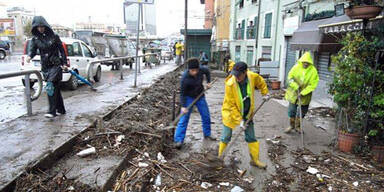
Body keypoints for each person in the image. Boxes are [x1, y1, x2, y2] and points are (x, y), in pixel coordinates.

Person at [218, 62, 270, 169]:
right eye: (235, 75)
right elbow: (232, 105)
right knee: (226, 136)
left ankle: (255, 160)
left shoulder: (252, 76)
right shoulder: (230, 84)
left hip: (247, 112)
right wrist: (240, 120)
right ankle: (219, 160)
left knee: (251, 136)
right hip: (230, 113)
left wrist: (265, 93)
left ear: (245, 72)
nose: (236, 77)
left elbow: (261, 82)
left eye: (239, 75)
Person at [26, 16, 67, 118]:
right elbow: (32, 50)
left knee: (50, 86)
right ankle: (61, 109)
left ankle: (52, 111)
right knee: (55, 88)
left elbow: (62, 50)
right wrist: (29, 56)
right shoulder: (35, 39)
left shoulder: (54, 37)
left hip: (56, 65)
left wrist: (64, 63)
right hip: (45, 67)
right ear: (35, 28)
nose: (40, 28)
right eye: (38, 27)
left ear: (46, 26)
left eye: (42, 26)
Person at [174, 58, 214, 149]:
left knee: (206, 115)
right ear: (189, 69)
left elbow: (207, 71)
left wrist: (208, 82)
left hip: (200, 96)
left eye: (196, 70)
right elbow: (182, 93)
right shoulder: (185, 78)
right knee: (184, 118)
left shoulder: (201, 69)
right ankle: (178, 140)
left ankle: (207, 133)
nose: (195, 72)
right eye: (192, 70)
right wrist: (184, 106)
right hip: (188, 98)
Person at [284, 52, 319, 133]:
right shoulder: (296, 67)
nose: (306, 64)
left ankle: (298, 127)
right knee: (292, 110)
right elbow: (289, 78)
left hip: (305, 95)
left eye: (307, 62)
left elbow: (313, 84)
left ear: (310, 63)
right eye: (304, 62)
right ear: (301, 61)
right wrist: (295, 86)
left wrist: (303, 92)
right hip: (293, 93)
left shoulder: (313, 71)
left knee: (302, 112)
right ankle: (291, 126)